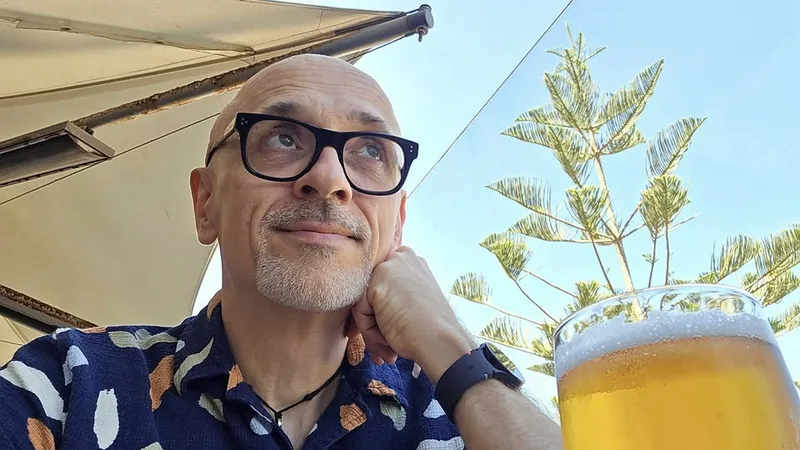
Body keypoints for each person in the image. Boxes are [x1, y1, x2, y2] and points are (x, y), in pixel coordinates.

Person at [0, 54, 563, 450]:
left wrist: (452, 349)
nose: (329, 178)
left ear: (397, 225)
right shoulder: (65, 386)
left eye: (371, 151)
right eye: (282, 138)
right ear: (206, 203)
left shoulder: (461, 414)